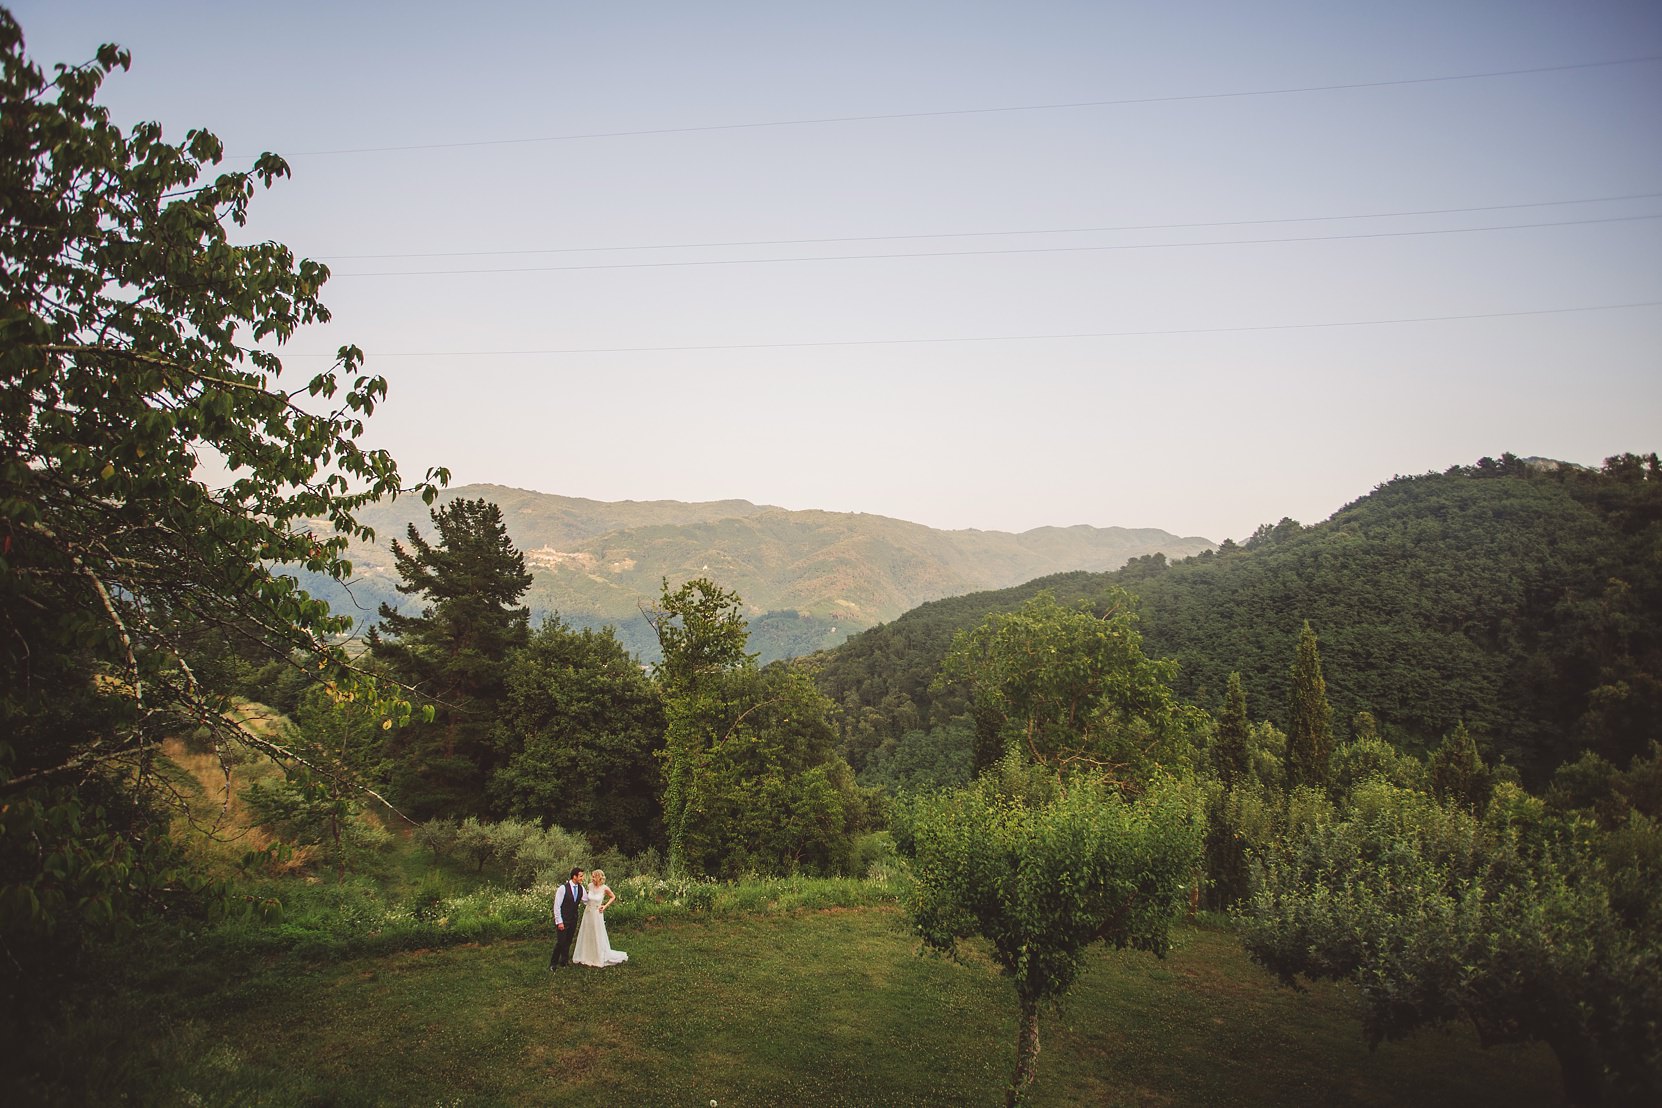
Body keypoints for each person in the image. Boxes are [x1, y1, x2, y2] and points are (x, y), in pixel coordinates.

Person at [571, 868, 627, 967]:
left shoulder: (605, 888)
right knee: (587, 933)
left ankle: (597, 955)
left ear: (598, 877)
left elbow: (613, 897)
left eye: (593, 876)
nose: (592, 878)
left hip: (597, 914)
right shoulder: (589, 886)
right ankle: (586, 955)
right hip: (588, 913)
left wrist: (604, 906)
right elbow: (585, 899)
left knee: (597, 933)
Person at [549, 867, 586, 970]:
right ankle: (553, 964)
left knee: (568, 941)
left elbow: (586, 901)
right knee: (561, 942)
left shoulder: (581, 888)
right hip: (563, 919)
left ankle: (564, 962)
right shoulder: (563, 888)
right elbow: (557, 906)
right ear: (574, 876)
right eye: (581, 876)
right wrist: (559, 921)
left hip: (573, 919)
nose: (582, 878)